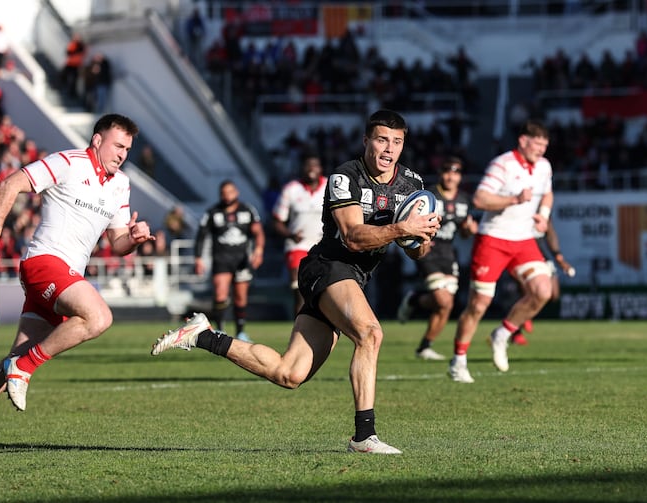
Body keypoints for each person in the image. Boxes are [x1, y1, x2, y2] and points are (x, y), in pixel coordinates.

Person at [151, 110, 440, 454]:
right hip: (327, 267)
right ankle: (364, 435)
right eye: (381, 140)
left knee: (289, 374)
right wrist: (400, 229)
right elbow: (352, 237)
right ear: (366, 141)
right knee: (371, 333)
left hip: (353, 279)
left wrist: (421, 237)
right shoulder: (345, 177)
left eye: (396, 142)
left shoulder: (413, 184)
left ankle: (204, 336)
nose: (388, 149)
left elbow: (418, 253)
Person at [0, 114, 155, 419]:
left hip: (66, 275)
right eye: (117, 146)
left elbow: (118, 242)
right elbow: (11, 184)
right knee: (98, 317)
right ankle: (24, 368)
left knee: (15, 357)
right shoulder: (69, 162)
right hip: (45, 262)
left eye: (127, 149)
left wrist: (135, 238)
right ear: (97, 140)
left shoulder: (121, 184)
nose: (121, 154)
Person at [448, 119, 554, 384]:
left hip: (523, 239)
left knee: (543, 290)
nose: (541, 150)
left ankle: (503, 334)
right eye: (537, 144)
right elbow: (480, 199)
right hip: (493, 239)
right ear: (523, 141)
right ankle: (458, 361)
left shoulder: (543, 166)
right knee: (478, 304)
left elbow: (547, 194)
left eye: (544, 146)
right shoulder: (503, 164)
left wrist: (543, 213)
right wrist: (514, 199)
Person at [397, 156, 478, 360]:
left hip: (448, 253)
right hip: (429, 250)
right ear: (441, 173)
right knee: (444, 301)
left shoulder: (463, 200)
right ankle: (424, 343)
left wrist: (469, 229)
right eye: (447, 171)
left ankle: (423, 339)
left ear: (460, 176)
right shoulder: (429, 196)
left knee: (445, 304)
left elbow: (465, 233)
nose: (451, 176)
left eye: (456, 172)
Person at [192, 180, 265, 342]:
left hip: (242, 260)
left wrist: (258, 251)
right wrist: (198, 258)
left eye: (230, 192)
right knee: (220, 293)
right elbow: (201, 236)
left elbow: (258, 232)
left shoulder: (247, 211)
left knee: (240, 296)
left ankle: (240, 332)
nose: (227, 196)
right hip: (221, 259)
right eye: (224, 193)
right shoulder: (213, 213)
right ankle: (219, 330)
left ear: (237, 192)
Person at [271, 152, 327, 316]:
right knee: (299, 288)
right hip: (298, 244)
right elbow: (277, 220)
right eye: (308, 165)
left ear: (320, 168)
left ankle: (320, 327)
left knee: (321, 289)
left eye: (315, 165)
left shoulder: (330, 185)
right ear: (302, 168)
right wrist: (290, 234)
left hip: (322, 244)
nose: (311, 169)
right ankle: (300, 330)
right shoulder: (291, 189)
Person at [508, 217, 575, 345]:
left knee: (553, 294)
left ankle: (527, 314)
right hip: (522, 252)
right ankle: (516, 332)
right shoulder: (519, 207)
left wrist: (558, 257)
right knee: (526, 291)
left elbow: (550, 232)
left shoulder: (542, 206)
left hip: (541, 252)